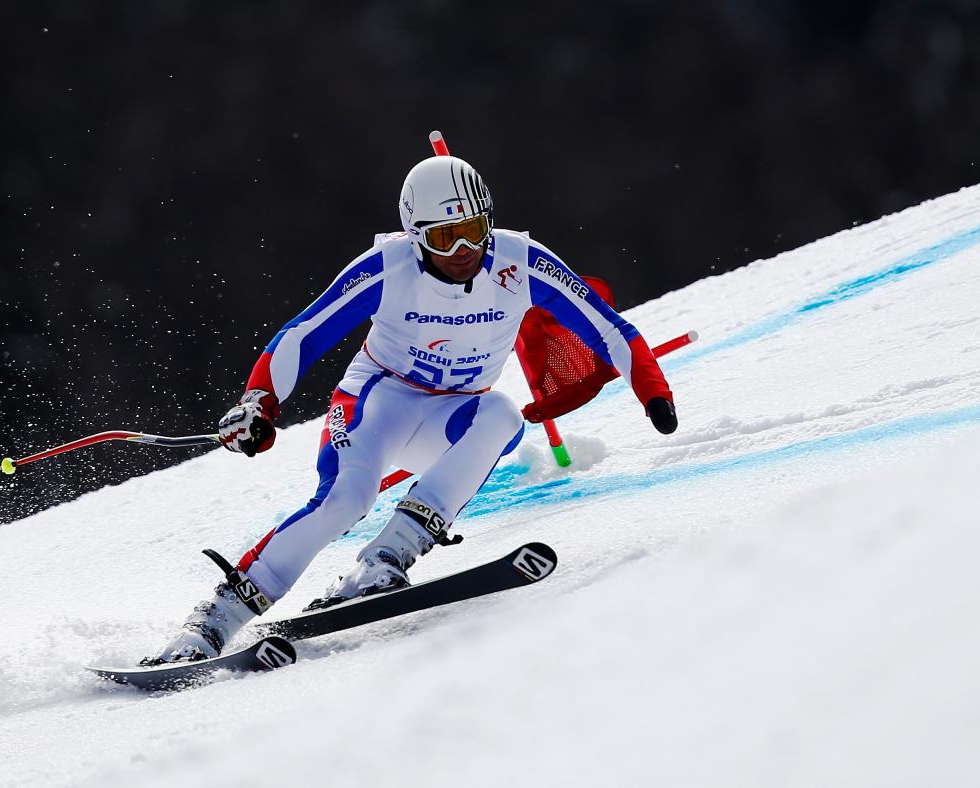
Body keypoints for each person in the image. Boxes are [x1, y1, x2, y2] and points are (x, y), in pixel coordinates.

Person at [146, 153, 678, 664]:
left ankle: (387, 557)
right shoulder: (388, 266)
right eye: (446, 236)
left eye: (475, 227)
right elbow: (303, 335)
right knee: (348, 498)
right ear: (415, 234)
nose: (466, 247)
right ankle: (213, 621)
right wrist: (259, 402)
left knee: (502, 415)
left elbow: (608, 327)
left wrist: (655, 393)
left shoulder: (521, 261)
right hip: (377, 402)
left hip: (451, 418)